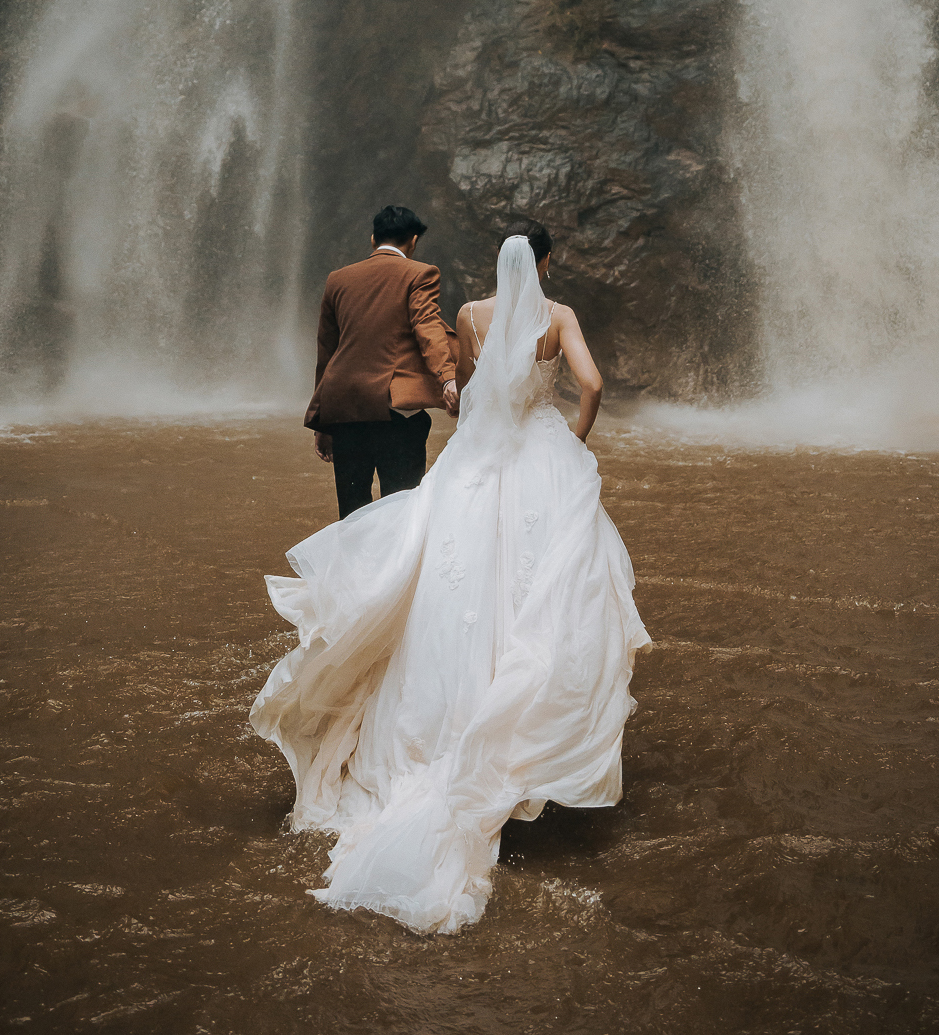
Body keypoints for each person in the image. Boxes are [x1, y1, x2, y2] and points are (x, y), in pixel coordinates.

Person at [251, 221, 651, 934]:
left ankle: (435, 735)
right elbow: (590, 383)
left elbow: (467, 390)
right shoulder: (557, 317)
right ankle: (531, 757)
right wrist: (575, 434)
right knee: (549, 597)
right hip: (536, 454)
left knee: (442, 585)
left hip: (477, 456)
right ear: (549, 260)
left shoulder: (468, 315)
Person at [305, 205, 459, 519]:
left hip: (345, 409)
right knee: (400, 508)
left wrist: (322, 419)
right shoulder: (420, 273)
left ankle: (352, 568)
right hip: (396, 412)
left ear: (373, 238)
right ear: (413, 241)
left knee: (351, 510)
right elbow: (427, 325)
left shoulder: (338, 279)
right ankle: (392, 569)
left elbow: (327, 351)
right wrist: (447, 377)